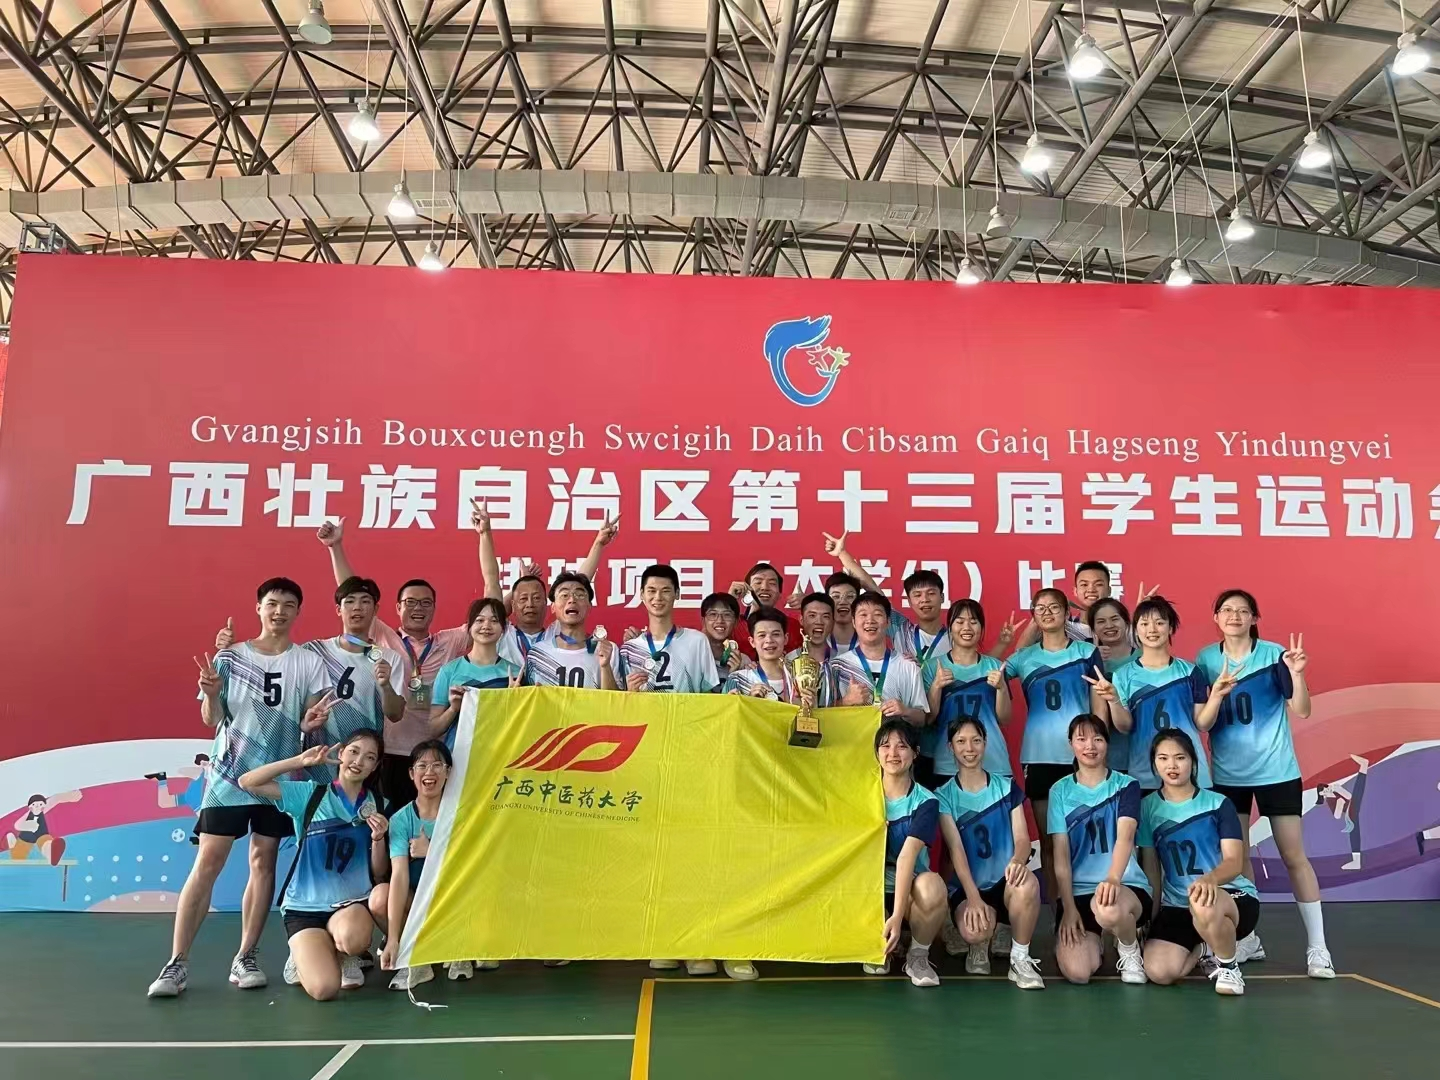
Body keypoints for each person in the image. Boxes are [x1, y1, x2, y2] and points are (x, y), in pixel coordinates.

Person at [147, 578, 333, 999]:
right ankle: (177, 963)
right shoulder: (230, 656)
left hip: (277, 777)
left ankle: (246, 955)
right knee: (208, 862)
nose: (279, 611)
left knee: (263, 861)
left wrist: (311, 723)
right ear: (258, 608)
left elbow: (309, 720)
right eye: (272, 603)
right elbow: (211, 719)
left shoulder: (307, 662)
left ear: (298, 611)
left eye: (288, 604)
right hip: (228, 777)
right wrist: (212, 694)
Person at [1196, 589, 1332, 978]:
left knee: (1294, 856)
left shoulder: (1276, 655)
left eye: (1243, 611)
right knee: (1237, 862)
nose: (1234, 616)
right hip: (1228, 776)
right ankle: (1248, 938)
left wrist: (1298, 674)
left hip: (1277, 772)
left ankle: (1318, 947)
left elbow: (1302, 710)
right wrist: (1216, 695)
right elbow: (1203, 721)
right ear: (1216, 617)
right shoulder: (1205, 660)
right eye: (1226, 610)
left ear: (1254, 618)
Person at [238, 729, 389, 1001]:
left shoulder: (379, 804)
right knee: (324, 990)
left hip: (351, 905)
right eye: (353, 752)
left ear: (375, 766)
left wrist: (378, 838)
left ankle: (344, 954)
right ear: (340, 753)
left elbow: (379, 873)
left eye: (369, 757)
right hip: (304, 908)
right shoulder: (311, 795)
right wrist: (299, 761)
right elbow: (247, 781)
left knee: (355, 938)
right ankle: (301, 955)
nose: (358, 761)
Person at [992, 588, 1103, 891]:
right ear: (1033, 616)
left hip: (1081, 755)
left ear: (1067, 613)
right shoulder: (1024, 658)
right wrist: (1011, 641)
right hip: (1039, 756)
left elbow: (1098, 704)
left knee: (1085, 838)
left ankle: (1088, 906)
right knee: (1050, 840)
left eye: (1054, 607)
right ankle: (1058, 911)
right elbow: (987, 671)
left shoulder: (1086, 652)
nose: (1047, 612)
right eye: (1039, 608)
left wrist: (1098, 744)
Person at [1140, 730, 1260, 996]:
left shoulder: (1218, 803)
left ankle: (1229, 967)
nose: (1172, 765)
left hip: (1229, 897)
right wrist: (1151, 917)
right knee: (1160, 972)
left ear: (1193, 762)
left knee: (1203, 903)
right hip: (1178, 904)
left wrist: (1210, 880)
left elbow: (1234, 862)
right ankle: (1206, 947)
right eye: (1163, 758)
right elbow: (1152, 870)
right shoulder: (1147, 807)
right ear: (1154, 763)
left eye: (1180, 757)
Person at [935, 717, 1043, 989]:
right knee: (975, 931)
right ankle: (981, 941)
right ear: (950, 747)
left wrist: (1017, 861)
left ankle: (1020, 958)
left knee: (1027, 884)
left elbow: (1022, 839)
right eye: (961, 741)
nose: (969, 748)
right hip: (968, 886)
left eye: (976, 740)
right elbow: (955, 850)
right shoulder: (944, 795)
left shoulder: (1006, 787)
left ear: (985, 743)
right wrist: (973, 897)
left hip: (1003, 882)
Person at [1049, 714, 1152, 986]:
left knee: (1107, 906)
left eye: (1097, 739)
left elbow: (1125, 838)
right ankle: (1102, 938)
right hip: (1080, 893)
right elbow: (1061, 855)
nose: (1090, 746)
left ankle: (1129, 949)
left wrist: (1113, 879)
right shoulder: (1059, 791)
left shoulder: (1126, 785)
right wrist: (1068, 907)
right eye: (1081, 739)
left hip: (1124, 886)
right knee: (1078, 972)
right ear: (1071, 744)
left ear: (1107, 744)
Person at [1089, 596, 1230, 792]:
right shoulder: (1122, 675)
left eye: (1160, 623)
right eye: (1144, 624)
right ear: (1135, 630)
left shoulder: (1190, 672)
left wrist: (1216, 696)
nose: (1152, 629)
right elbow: (1125, 727)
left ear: (1171, 628)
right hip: (1144, 773)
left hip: (1190, 773)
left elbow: (1202, 724)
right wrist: (1113, 701)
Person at [374, 740, 472, 988]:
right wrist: (393, 939)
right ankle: (416, 957)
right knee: (379, 897)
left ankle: (459, 948)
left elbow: (470, 869)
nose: (430, 772)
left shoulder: (462, 815)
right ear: (411, 773)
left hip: (453, 898)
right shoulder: (400, 820)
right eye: (422, 766)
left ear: (448, 772)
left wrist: (432, 852)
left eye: (437, 765)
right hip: (417, 900)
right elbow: (399, 876)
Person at [300, 577, 407, 777]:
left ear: (375, 609)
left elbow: (395, 715)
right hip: (318, 758)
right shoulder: (313, 651)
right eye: (349, 601)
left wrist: (385, 686)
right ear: (338, 609)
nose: (357, 607)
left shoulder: (390, 658)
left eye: (365, 601)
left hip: (362, 762)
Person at [871, 719, 947, 987]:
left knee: (933, 887)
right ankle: (877, 945)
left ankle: (918, 956)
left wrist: (897, 913)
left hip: (909, 885)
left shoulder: (926, 802)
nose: (892, 753)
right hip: (869, 887)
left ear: (915, 753)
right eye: (885, 746)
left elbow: (906, 857)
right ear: (876, 753)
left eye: (902, 746)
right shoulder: (862, 795)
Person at [822, 530, 946, 663]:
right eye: (917, 595)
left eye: (931, 593)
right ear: (909, 601)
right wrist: (842, 553)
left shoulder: (955, 636)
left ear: (942, 597)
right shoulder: (901, 629)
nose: (924, 600)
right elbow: (871, 587)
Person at [428, 598, 522, 747]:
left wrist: (516, 703)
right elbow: (433, 730)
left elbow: (522, 727)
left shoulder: (515, 673)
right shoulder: (448, 671)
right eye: (479, 620)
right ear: (469, 627)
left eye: (494, 621)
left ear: (503, 629)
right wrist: (453, 709)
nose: (486, 626)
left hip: (501, 754)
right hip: (459, 755)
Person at [618, 564, 721, 693]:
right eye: (651, 591)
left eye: (665, 591)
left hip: (687, 707)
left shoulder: (697, 640)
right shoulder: (629, 649)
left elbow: (708, 693)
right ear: (642, 594)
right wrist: (630, 693)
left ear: (677, 594)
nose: (658, 597)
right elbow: (619, 700)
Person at [829, 592, 928, 722]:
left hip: (896, 735)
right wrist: (846, 701)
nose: (870, 620)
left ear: (888, 622)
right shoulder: (837, 666)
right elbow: (823, 715)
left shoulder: (908, 666)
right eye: (863, 615)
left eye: (877, 614)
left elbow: (921, 720)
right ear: (853, 622)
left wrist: (905, 711)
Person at [522, 572, 621, 690]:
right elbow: (529, 698)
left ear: (589, 606)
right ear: (553, 607)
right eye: (564, 595)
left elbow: (616, 700)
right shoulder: (537, 654)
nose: (572, 600)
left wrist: (605, 667)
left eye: (580, 595)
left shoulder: (609, 650)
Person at [724, 607, 828, 708]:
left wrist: (813, 707)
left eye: (776, 634)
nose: (769, 640)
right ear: (752, 642)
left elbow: (826, 716)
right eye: (762, 635)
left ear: (786, 638)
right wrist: (749, 703)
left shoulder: (806, 678)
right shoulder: (738, 680)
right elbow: (725, 717)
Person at [1086, 598, 1134, 770]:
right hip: (1104, 759)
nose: (1109, 625)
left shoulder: (1145, 659)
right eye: (1101, 621)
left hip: (1144, 754)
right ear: (1093, 629)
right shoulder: (1085, 663)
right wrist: (1092, 657)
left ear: (1126, 622)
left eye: (1115, 619)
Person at [1319, 755, 1370, 871]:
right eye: (1324, 791)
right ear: (1322, 794)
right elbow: (1337, 816)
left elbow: (1349, 796)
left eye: (1326, 788)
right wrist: (1339, 805)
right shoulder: (1329, 800)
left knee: (1353, 830)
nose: (1327, 790)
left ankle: (1356, 861)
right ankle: (1364, 766)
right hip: (1349, 812)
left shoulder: (1336, 788)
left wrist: (1339, 791)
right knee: (1353, 829)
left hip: (1351, 807)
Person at [5, 791, 81, 864]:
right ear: (30, 807)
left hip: (41, 834)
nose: (37, 806)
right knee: (18, 856)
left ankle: (51, 853)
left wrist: (70, 796)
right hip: (26, 837)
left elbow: (55, 799)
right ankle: (12, 844)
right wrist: (28, 825)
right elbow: (17, 825)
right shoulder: (28, 815)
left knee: (46, 843)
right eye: (34, 805)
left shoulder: (43, 810)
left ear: (43, 805)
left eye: (40, 804)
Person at [699, 592, 750, 681]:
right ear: (703, 620)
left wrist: (735, 674)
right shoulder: (692, 657)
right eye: (713, 614)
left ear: (736, 622)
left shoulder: (744, 662)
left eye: (727, 615)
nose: (719, 621)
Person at [824, 572, 862, 655]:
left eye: (850, 596)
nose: (843, 602)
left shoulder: (869, 640)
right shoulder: (817, 640)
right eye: (836, 596)